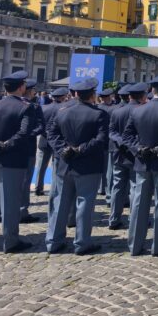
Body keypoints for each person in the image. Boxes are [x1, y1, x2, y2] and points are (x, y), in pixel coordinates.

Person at [45, 78, 108, 255]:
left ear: (76, 94)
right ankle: (82, 243)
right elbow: (101, 139)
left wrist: (63, 149)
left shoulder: (62, 112)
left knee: (59, 203)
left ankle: (53, 241)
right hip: (88, 165)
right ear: (93, 94)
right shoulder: (99, 114)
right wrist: (80, 149)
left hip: (65, 163)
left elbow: (51, 134)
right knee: (85, 205)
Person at [123, 74, 158, 257]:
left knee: (139, 205)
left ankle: (134, 245)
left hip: (142, 162)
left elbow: (127, 137)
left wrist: (139, 149)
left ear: (151, 91)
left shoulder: (137, 110)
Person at [0, 70, 35, 252]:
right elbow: (24, 132)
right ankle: (10, 241)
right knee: (10, 203)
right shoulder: (25, 107)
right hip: (13, 159)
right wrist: (6, 145)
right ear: (21, 87)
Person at [108, 83, 145, 230]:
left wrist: (121, 142)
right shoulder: (142, 111)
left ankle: (114, 219)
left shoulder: (117, 111)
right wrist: (132, 145)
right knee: (135, 188)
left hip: (119, 153)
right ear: (142, 96)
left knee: (117, 187)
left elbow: (111, 132)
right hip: (136, 154)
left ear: (129, 96)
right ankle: (133, 218)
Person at [35, 87, 69, 197]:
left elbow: (39, 125)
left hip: (44, 139)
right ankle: (54, 189)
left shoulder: (44, 107)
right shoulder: (64, 108)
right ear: (63, 97)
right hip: (58, 140)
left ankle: (38, 187)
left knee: (41, 165)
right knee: (56, 166)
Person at [20, 78, 42, 224]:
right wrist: (28, 134)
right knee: (25, 180)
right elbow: (40, 126)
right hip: (27, 148)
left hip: (7, 149)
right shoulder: (33, 106)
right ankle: (22, 211)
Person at [97, 88, 116, 198]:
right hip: (109, 140)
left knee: (100, 165)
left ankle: (100, 187)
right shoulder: (114, 108)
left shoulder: (97, 108)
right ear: (109, 97)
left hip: (99, 140)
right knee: (108, 167)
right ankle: (106, 188)